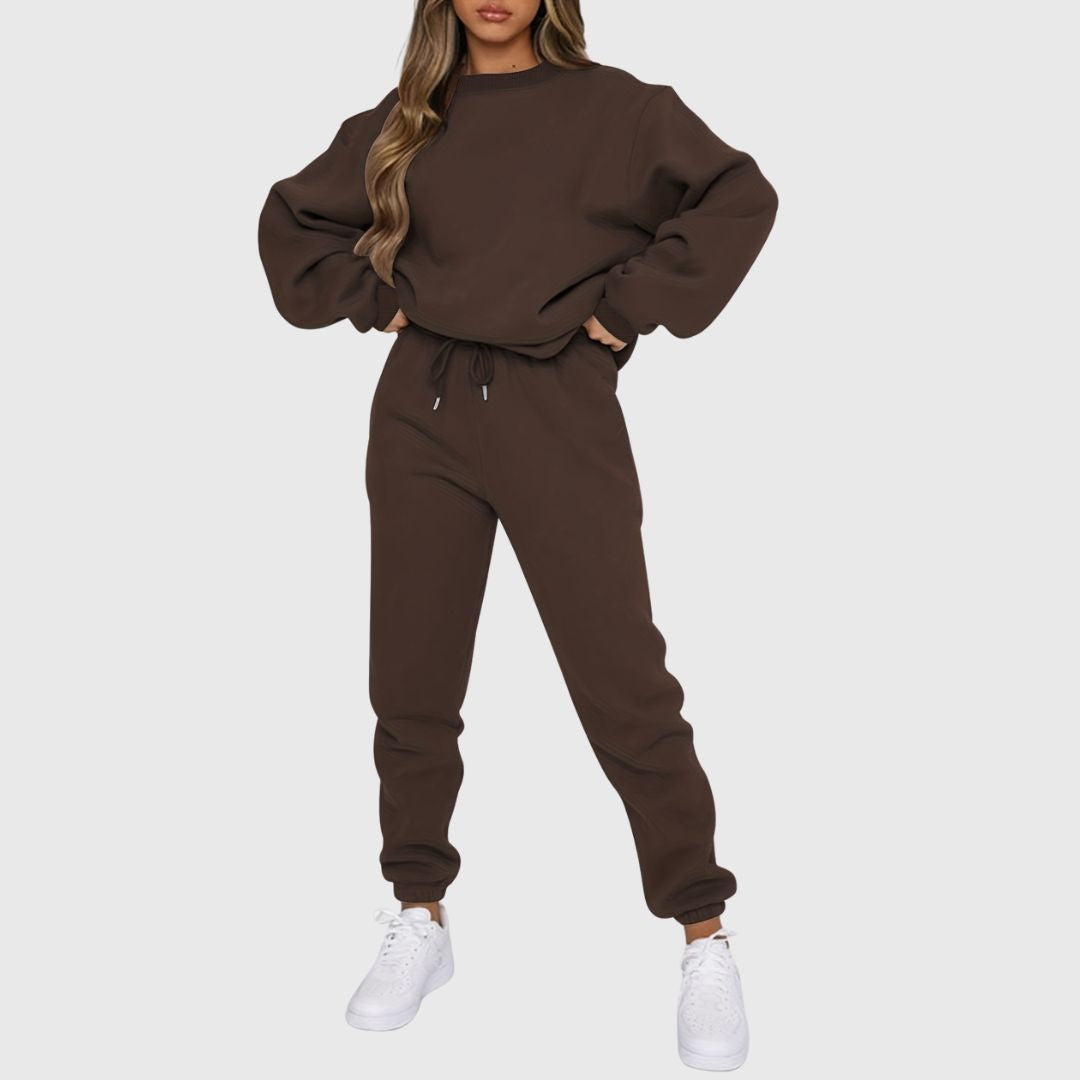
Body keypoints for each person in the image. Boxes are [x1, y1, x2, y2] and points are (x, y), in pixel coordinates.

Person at [258, 0, 777, 1070]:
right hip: (422, 411)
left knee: (623, 681)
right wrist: (376, 302)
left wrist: (629, 309)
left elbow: (738, 194)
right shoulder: (409, 116)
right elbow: (290, 219)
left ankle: (704, 932)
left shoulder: (621, 111)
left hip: (558, 411)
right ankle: (419, 911)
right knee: (411, 679)